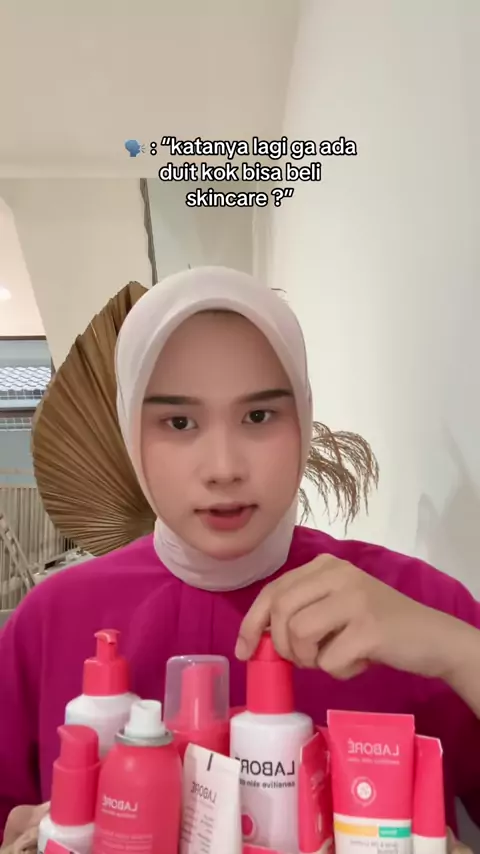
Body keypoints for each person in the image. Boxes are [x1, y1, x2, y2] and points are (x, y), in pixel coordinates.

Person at [0, 266, 478, 854]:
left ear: (302, 418)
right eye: (179, 422)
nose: (224, 467)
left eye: (258, 416)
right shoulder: (50, 620)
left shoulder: (418, 603)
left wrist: (459, 651)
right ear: (130, 432)